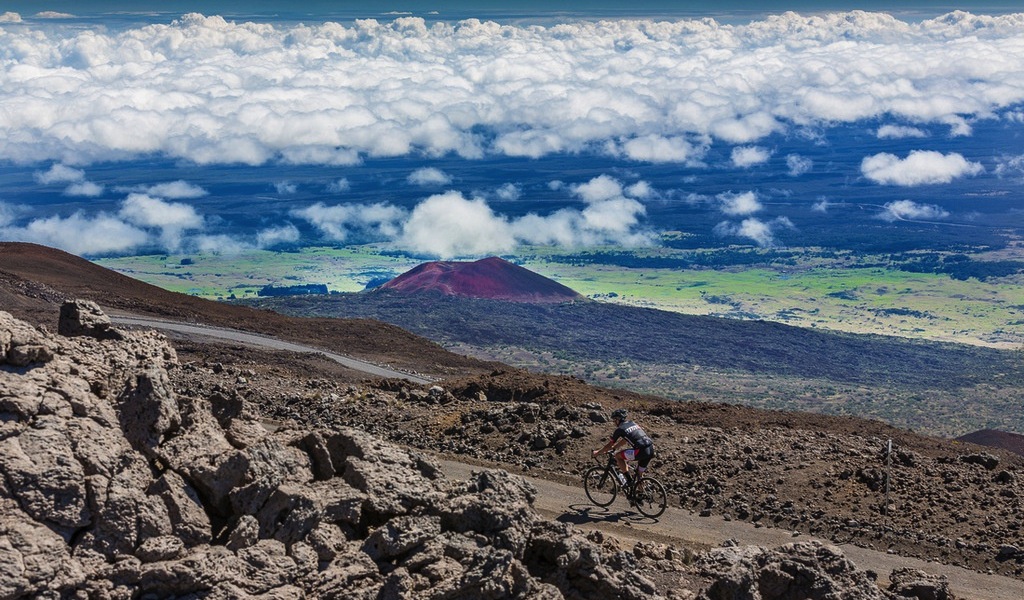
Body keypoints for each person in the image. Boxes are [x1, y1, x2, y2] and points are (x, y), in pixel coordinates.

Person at [592, 408, 655, 489]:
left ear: (618, 419)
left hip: (641, 450)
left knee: (618, 456)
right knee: (639, 474)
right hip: (650, 449)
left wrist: (597, 452)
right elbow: (625, 440)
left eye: (614, 420)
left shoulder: (620, 429)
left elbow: (608, 445)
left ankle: (629, 480)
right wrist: (615, 447)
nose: (614, 422)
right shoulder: (632, 423)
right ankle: (641, 495)